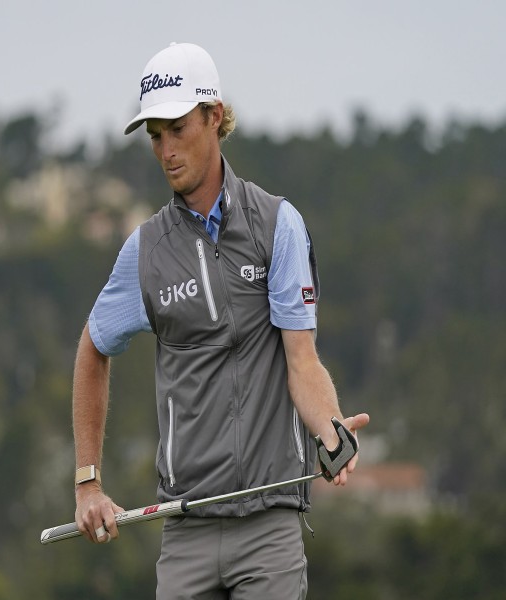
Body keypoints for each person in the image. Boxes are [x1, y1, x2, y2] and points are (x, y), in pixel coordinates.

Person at [72, 42, 370, 599]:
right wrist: (88, 482)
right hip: (185, 529)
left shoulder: (276, 225)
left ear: (214, 116)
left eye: (177, 128)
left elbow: (301, 361)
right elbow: (93, 348)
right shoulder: (146, 250)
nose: (166, 150)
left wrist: (330, 428)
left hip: (269, 525)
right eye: (154, 135)